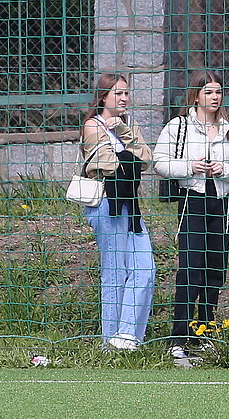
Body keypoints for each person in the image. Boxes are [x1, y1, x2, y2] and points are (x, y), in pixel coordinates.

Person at [153, 70, 229, 358]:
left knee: (215, 269)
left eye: (218, 92)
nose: (215, 97)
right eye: (208, 92)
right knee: (190, 269)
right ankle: (178, 337)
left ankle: (204, 332)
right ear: (196, 96)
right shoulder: (178, 126)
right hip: (192, 201)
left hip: (221, 204)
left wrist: (224, 170)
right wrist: (190, 167)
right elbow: (160, 163)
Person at [82, 73, 156, 351]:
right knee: (114, 272)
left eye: (126, 93)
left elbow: (146, 159)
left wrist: (124, 134)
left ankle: (127, 337)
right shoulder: (92, 125)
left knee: (145, 269)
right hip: (106, 203)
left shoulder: (128, 124)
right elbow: (112, 166)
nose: (124, 98)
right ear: (104, 97)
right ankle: (110, 344)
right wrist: (130, 155)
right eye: (118, 93)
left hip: (130, 205)